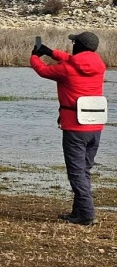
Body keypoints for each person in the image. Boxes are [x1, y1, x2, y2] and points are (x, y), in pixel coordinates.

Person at [30, 31, 106, 225]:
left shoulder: (66, 69)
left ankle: (87, 214)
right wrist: (50, 52)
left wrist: (34, 56)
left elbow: (43, 71)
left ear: (78, 46)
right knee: (84, 170)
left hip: (75, 128)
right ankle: (78, 212)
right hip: (95, 126)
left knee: (76, 173)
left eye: (74, 44)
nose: (72, 47)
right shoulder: (99, 65)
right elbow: (74, 60)